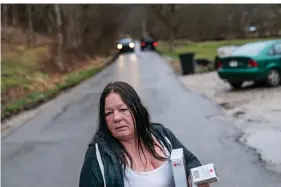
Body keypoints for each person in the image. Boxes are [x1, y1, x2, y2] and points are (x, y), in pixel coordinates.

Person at [79, 81, 210, 187]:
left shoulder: (161, 135)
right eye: (109, 113)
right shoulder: (98, 156)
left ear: (137, 110)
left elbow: (191, 161)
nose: (116, 118)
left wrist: (193, 180)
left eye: (123, 109)